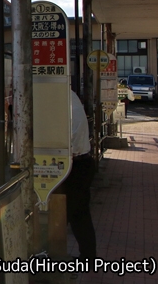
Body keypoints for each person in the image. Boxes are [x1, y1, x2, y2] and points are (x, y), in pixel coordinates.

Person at [63, 90, 97, 260]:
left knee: (65, 214)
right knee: (78, 215)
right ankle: (88, 257)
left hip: (74, 165)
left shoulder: (57, 97)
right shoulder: (69, 95)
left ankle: (49, 257)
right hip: (82, 162)